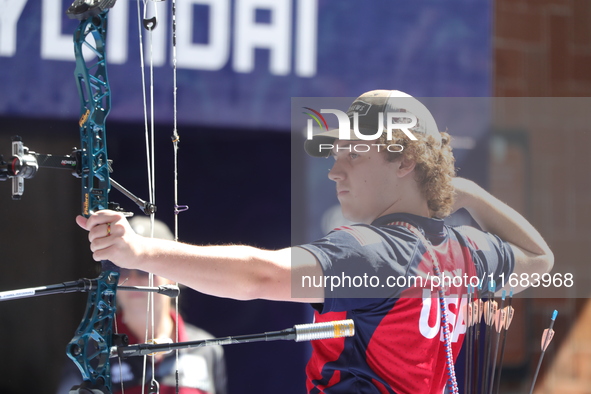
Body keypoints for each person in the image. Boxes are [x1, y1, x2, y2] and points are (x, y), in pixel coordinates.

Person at [76, 90, 553, 394]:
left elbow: (258, 274)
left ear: (404, 163)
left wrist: (139, 253)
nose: (334, 169)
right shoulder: (467, 250)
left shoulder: (373, 251)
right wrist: (464, 193)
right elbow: (540, 257)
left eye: (353, 154)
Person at [58, 217, 227, 394]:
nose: (133, 279)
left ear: (173, 275)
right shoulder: (91, 351)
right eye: (121, 270)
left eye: (144, 270)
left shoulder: (206, 348)